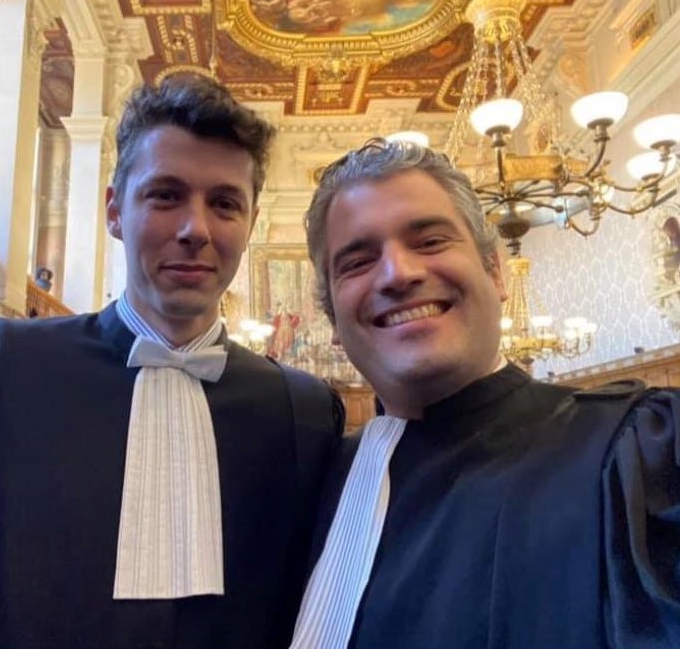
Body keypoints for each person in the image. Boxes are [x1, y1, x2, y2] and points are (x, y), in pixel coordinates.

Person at [0, 75, 343, 648]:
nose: (196, 229)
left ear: (249, 222)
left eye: (224, 204)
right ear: (115, 211)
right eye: (165, 195)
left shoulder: (301, 413)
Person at [289, 138, 680, 649]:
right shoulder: (317, 484)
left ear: (495, 272)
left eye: (430, 241)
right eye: (358, 262)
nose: (399, 273)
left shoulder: (638, 455)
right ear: (333, 322)